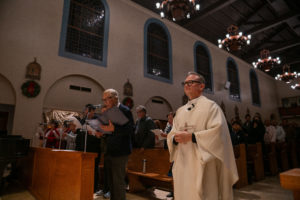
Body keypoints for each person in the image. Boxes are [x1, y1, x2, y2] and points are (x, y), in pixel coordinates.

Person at [167, 72, 238, 200]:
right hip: (183, 162)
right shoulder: (180, 111)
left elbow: (218, 132)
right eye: (185, 83)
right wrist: (174, 139)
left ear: (201, 86)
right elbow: (172, 133)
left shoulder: (211, 107)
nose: (187, 85)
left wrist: (192, 137)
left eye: (191, 82)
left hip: (203, 162)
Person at [100, 89, 134, 200]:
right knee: (111, 182)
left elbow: (130, 130)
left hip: (121, 151)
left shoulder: (125, 110)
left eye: (106, 99)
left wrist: (114, 129)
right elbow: (110, 130)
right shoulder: (109, 111)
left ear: (114, 98)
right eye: (103, 100)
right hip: (110, 150)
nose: (105, 102)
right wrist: (102, 131)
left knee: (118, 182)